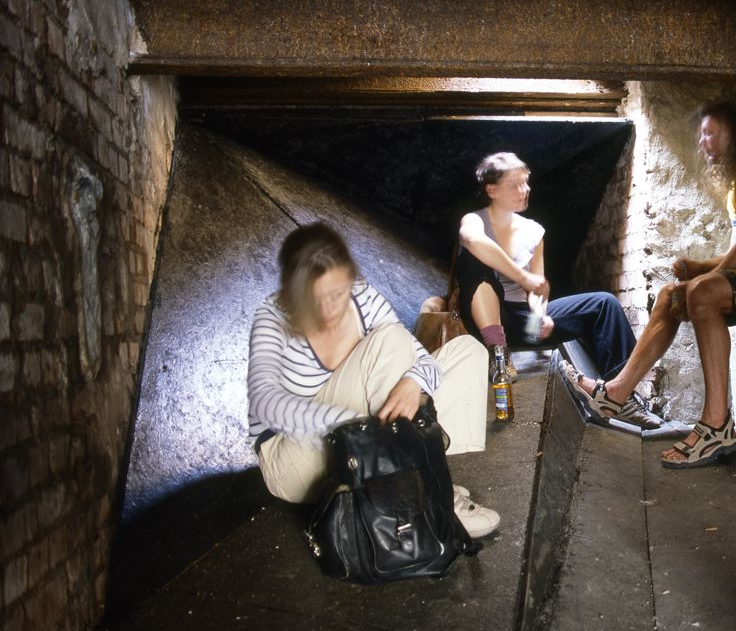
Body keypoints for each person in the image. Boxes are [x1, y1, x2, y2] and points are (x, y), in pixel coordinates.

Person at [571, 101, 736, 468]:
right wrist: (699, 268)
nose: (703, 141)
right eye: (701, 135)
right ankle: (616, 393)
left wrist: (704, 279)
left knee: (701, 292)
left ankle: (716, 425)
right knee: (670, 295)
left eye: (712, 132)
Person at [248, 222, 500, 537]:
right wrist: (373, 422)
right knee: (388, 342)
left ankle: (422, 474)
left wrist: (412, 382)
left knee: (467, 351)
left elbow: (418, 358)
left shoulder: (363, 298)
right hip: (292, 459)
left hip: (361, 440)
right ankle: (423, 495)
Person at [456, 151, 660, 430]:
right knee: (473, 259)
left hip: (522, 320)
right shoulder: (475, 221)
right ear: (492, 190)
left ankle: (620, 394)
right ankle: (498, 353)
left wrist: (540, 314)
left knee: (604, 303)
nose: (524, 190)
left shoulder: (533, 231)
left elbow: (537, 286)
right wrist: (523, 277)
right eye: (514, 185)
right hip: (485, 319)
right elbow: (472, 240)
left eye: (525, 183)